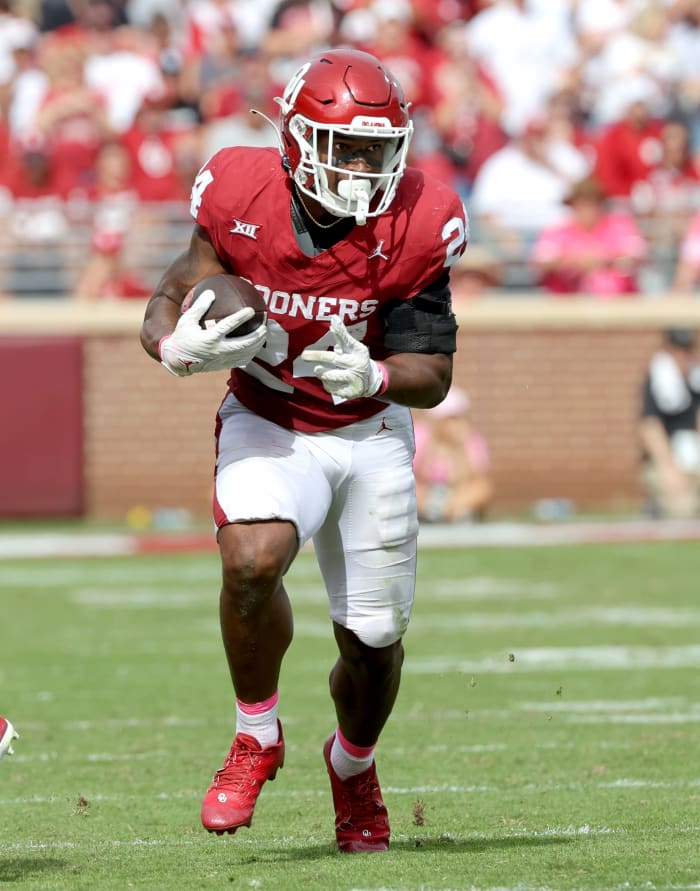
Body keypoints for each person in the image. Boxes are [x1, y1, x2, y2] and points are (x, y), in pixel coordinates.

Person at [139, 47, 467, 853]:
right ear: (293, 141)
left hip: (369, 433)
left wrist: (378, 370)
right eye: (343, 147)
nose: (360, 167)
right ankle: (256, 732)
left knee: (373, 642)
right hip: (270, 415)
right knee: (250, 561)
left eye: (375, 149)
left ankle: (353, 765)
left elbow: (435, 377)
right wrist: (169, 345)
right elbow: (177, 288)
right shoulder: (237, 190)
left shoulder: (420, 219)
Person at [530, 175, 647, 296]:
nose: (586, 211)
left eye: (591, 204)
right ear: (572, 206)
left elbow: (636, 255)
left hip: (619, 303)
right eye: (581, 205)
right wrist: (575, 261)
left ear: (601, 205)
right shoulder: (556, 230)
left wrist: (604, 260)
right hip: (566, 304)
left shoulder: (621, 226)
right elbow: (541, 262)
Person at [639, 328, 700, 519]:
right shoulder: (657, 380)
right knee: (682, 510)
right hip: (668, 461)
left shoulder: (694, 379)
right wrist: (670, 470)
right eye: (676, 350)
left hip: (693, 458)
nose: (681, 356)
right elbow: (650, 427)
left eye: (686, 350)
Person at [413, 386, 493, 523]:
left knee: (481, 488)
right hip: (427, 491)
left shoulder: (470, 439)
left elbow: (477, 477)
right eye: (449, 419)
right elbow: (414, 473)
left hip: (456, 491)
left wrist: (460, 447)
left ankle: (452, 513)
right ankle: (430, 513)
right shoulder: (421, 434)